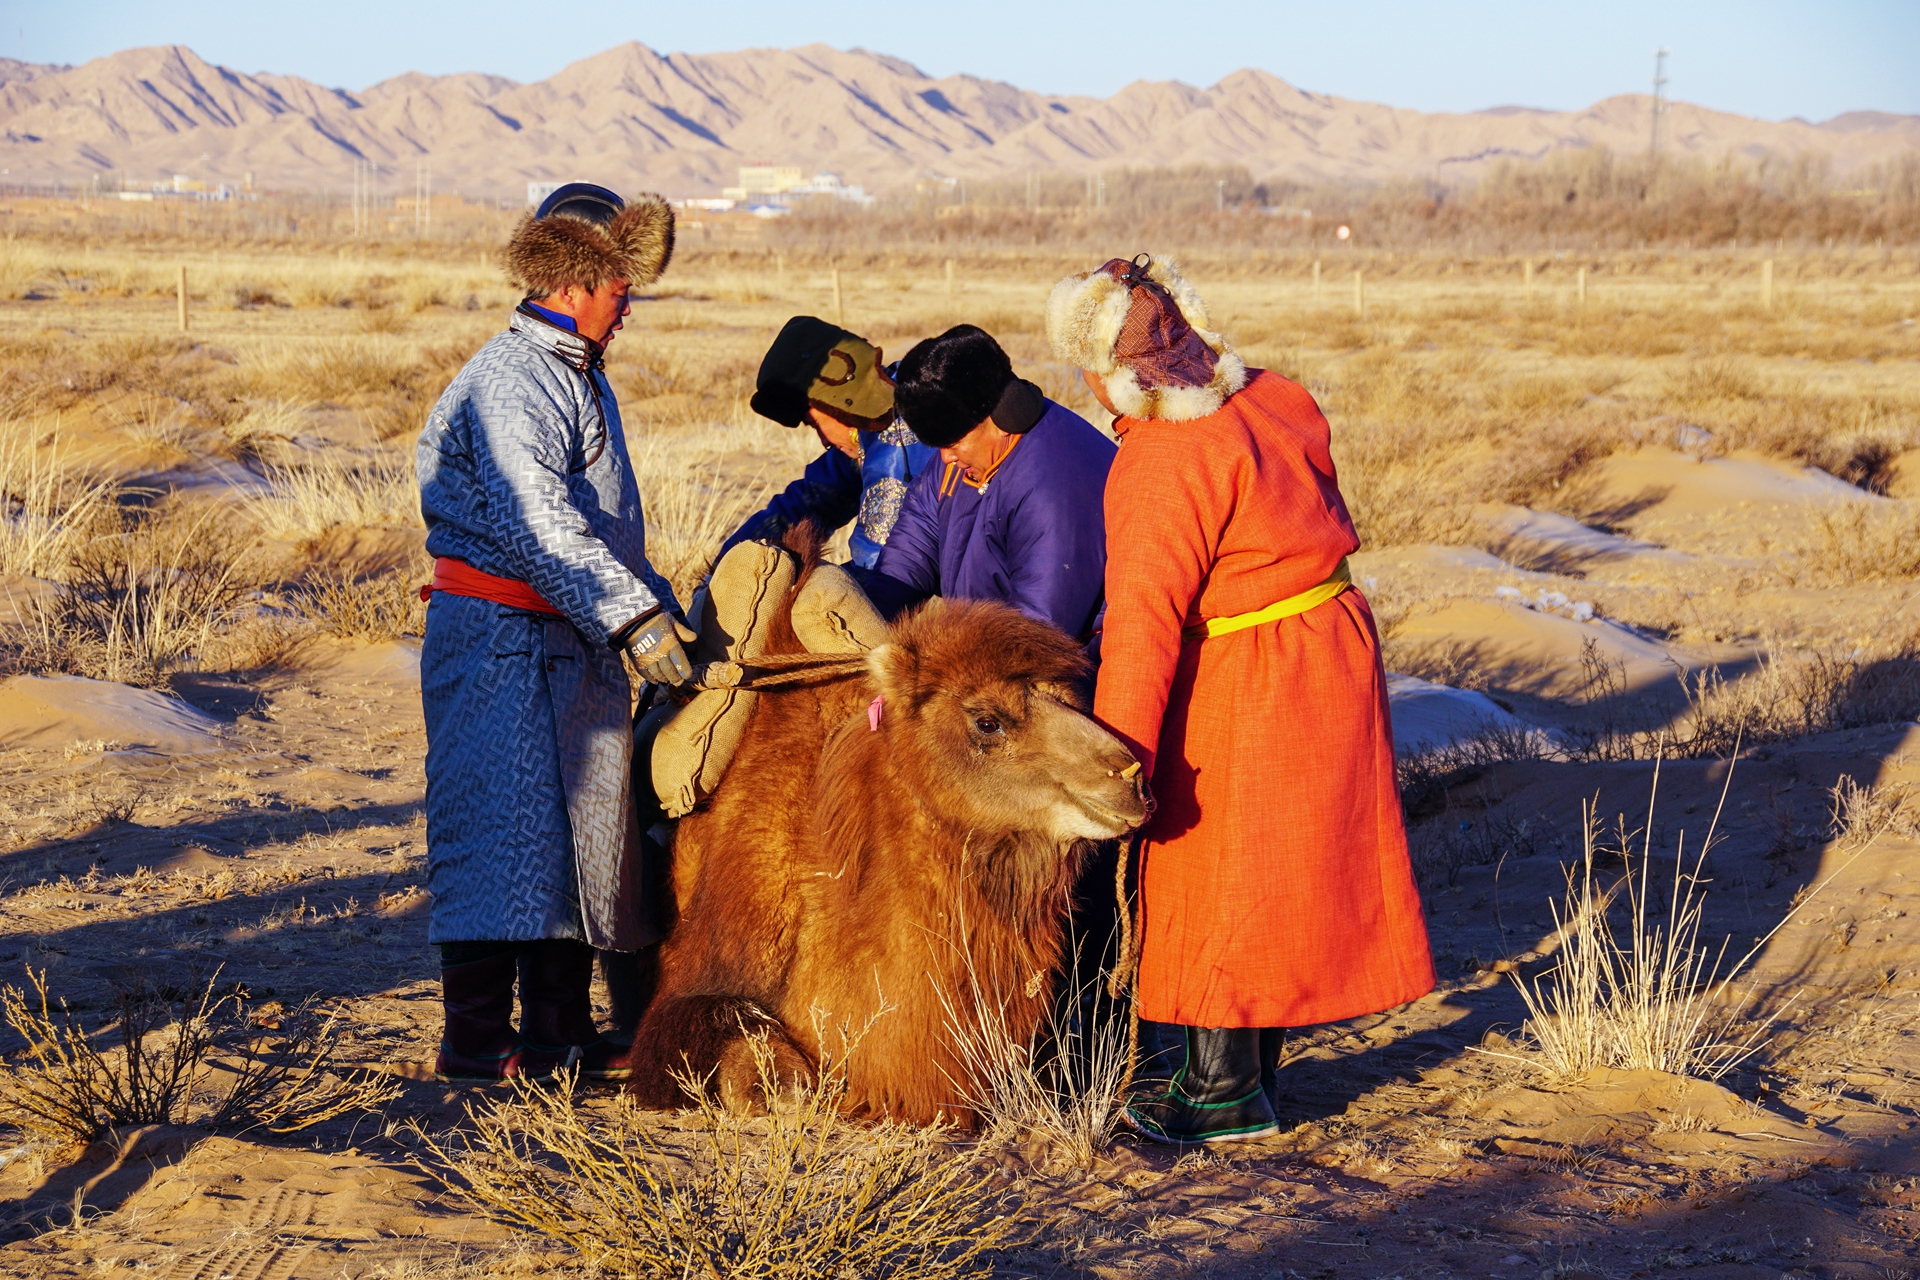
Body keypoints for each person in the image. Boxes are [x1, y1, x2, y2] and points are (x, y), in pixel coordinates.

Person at [1047, 254, 1434, 1144]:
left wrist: (1115, 764)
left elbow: (1142, 628)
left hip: (1250, 668)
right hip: (1329, 641)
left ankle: (1218, 1091)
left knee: (1217, 864)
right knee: (1284, 858)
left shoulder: (1159, 462)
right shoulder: (1273, 395)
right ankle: (1251, 1075)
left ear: (1108, 368)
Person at [415, 182, 692, 1085]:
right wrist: (636, 616)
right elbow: (537, 522)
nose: (630, 308)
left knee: (579, 841)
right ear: (583, 273)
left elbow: (600, 525)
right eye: (623, 289)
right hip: (498, 638)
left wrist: (661, 607)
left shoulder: (571, 370)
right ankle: (479, 1040)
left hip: (563, 637)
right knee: (502, 837)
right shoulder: (512, 381)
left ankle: (558, 1037)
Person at [866, 324, 1113, 644]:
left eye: (953, 443)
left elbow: (1038, 631)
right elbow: (912, 548)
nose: (945, 459)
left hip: (1074, 673)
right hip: (990, 657)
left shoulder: (1055, 488)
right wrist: (868, 628)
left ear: (1005, 415)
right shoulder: (965, 458)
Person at [719, 316, 938, 573]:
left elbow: (881, 571)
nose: (824, 440)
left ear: (838, 402)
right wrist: (731, 561)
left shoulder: (898, 442)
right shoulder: (872, 431)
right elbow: (811, 502)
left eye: (814, 424)